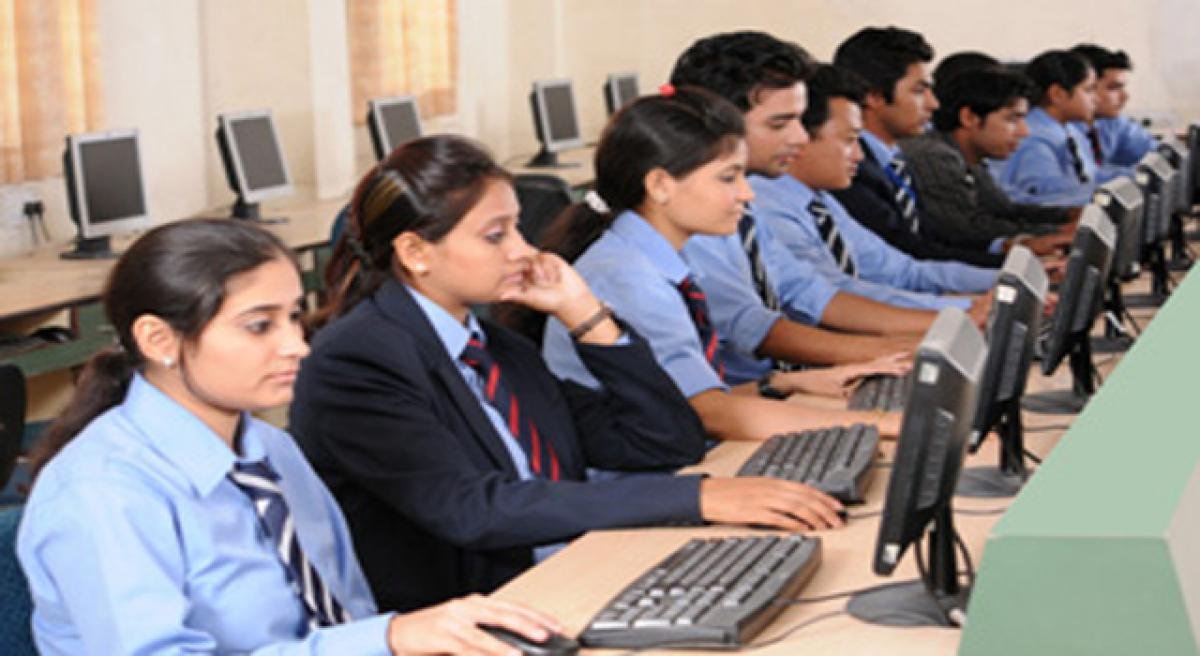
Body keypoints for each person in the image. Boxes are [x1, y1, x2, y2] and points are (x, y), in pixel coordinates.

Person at [289, 135, 850, 614]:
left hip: (568, 579)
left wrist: (586, 315)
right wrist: (698, 498)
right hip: (482, 616)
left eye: (517, 229)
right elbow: (474, 509)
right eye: (496, 236)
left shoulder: (497, 348)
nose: (524, 250)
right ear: (415, 251)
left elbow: (665, 439)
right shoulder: (357, 360)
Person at [17, 219, 560, 655]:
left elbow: (348, 611)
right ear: (159, 339)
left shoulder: (271, 451)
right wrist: (388, 639)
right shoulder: (104, 492)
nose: (298, 345)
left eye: (295, 317)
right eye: (260, 325)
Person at [540, 85, 908, 447]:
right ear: (660, 185)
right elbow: (709, 414)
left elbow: (685, 399)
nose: (747, 193)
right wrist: (884, 423)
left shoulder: (654, 258)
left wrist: (782, 384)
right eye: (728, 178)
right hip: (643, 472)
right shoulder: (629, 278)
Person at [664, 31, 949, 389]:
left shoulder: (746, 209)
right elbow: (752, 327)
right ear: (716, 121)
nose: (801, 138)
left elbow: (813, 293)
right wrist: (886, 351)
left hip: (773, 389)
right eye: (779, 124)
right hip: (739, 400)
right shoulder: (692, 216)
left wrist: (946, 327)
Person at [753, 63, 999, 310]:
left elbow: (904, 272)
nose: (859, 156)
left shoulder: (822, 201)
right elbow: (832, 296)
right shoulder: (768, 205)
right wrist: (965, 308)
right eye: (849, 140)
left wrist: (1004, 281)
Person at [832, 26, 1006, 267]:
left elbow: (928, 234)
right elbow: (907, 251)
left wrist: (1005, 246)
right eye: (919, 91)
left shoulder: (894, 159)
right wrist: (1005, 265)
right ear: (874, 97)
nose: (933, 104)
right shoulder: (850, 167)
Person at [903, 65, 1078, 253]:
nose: (1024, 132)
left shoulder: (969, 155)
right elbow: (967, 229)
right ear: (969, 117)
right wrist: (1056, 232)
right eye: (1012, 119)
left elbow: (1005, 210)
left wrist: (1068, 215)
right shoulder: (934, 156)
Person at [995, 50, 1099, 207]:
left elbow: (1089, 176)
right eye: (1089, 90)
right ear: (1057, 94)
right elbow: (1047, 193)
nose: (1096, 99)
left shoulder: (1072, 131)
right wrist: (1099, 195)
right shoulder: (1032, 137)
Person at [1070, 44, 1156, 177]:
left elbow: (1153, 152)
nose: (1125, 96)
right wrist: (1138, 176)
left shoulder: (1110, 122)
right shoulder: (1062, 132)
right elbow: (1087, 179)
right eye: (1113, 88)